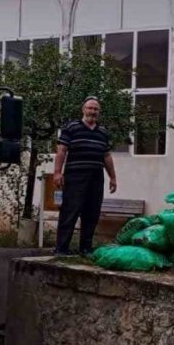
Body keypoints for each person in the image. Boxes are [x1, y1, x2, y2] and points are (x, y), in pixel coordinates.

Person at [53, 97, 117, 256]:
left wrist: (113, 177)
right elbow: (61, 151)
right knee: (70, 211)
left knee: (92, 212)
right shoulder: (71, 127)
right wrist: (57, 172)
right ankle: (61, 249)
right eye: (90, 108)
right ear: (83, 109)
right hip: (75, 176)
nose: (92, 112)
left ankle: (86, 248)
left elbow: (107, 156)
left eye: (96, 109)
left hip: (96, 177)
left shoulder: (103, 132)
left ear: (99, 112)